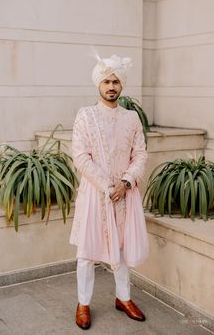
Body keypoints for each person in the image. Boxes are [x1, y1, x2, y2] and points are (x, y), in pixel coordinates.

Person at [70, 54, 149, 330]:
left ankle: (123, 298)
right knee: (86, 253)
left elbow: (140, 154)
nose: (111, 85)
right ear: (98, 84)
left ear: (122, 85)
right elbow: (80, 157)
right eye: (106, 81)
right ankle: (83, 303)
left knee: (123, 249)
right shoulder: (86, 116)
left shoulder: (132, 118)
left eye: (116, 80)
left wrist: (125, 184)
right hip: (95, 194)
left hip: (125, 195)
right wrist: (107, 187)